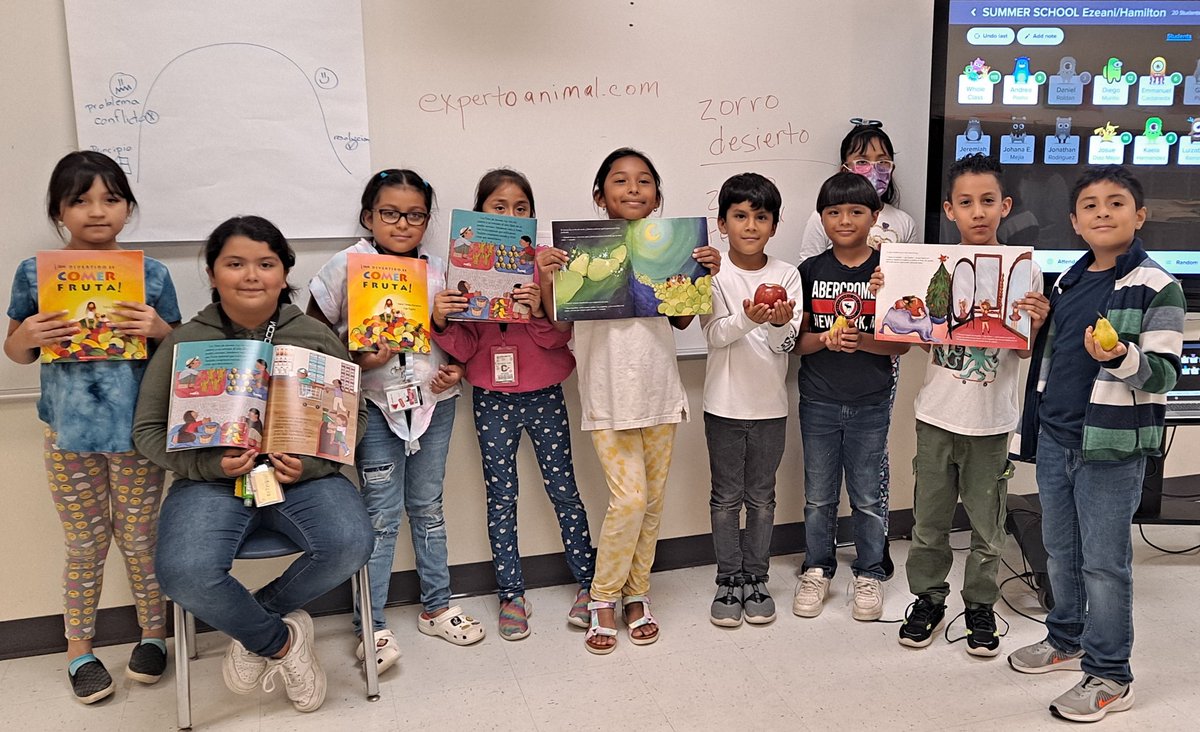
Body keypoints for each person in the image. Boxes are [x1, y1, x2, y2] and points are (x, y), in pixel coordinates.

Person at [132, 216, 372, 714]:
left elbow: (355, 420)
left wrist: (307, 466)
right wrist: (209, 466)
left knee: (350, 543)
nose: (251, 275)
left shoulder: (313, 335)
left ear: (284, 273)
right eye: (235, 263)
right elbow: (148, 431)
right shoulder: (184, 342)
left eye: (266, 264)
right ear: (212, 271)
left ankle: (255, 621)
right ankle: (281, 643)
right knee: (183, 571)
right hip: (212, 483)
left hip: (303, 478)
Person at [1008, 166, 1184, 722]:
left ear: (1140, 215)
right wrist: (1039, 322)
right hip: (1058, 439)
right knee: (1061, 551)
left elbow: (1163, 374)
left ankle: (1112, 673)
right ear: (1074, 223)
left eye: (1115, 203)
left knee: (1106, 565)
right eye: (1089, 205)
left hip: (1111, 446)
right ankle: (1067, 639)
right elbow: (1053, 360)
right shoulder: (1067, 281)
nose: (1102, 212)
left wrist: (1119, 357)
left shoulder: (1158, 285)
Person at [4, 151, 180, 704]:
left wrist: (159, 328)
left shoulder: (152, 274)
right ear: (59, 211)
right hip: (68, 438)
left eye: (110, 198)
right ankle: (78, 649)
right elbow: (15, 352)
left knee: (141, 541)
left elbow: (180, 357)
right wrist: (28, 334)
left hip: (138, 436)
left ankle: (154, 636)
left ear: (128, 206)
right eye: (79, 200)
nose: (97, 211)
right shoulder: (36, 274)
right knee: (84, 545)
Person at [539, 148, 721, 654]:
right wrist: (551, 277)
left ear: (658, 196)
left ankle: (637, 593)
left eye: (644, 181)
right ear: (600, 196)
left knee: (654, 504)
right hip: (607, 397)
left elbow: (682, 319)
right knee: (631, 500)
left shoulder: (670, 250)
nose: (634, 189)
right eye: (620, 181)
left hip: (660, 394)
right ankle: (602, 596)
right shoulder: (581, 253)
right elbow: (557, 325)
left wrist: (703, 271)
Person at [869, 155, 1048, 656]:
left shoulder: (1026, 269)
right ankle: (927, 599)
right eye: (966, 203)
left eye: (988, 201)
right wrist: (890, 300)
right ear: (949, 210)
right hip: (937, 417)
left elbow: (1026, 348)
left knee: (988, 525)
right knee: (928, 522)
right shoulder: (931, 265)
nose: (978, 212)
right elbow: (923, 338)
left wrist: (1036, 320)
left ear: (1005, 206)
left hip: (991, 423)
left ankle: (980, 606)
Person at [308, 169, 478, 676]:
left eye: (415, 214)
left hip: (433, 404)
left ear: (427, 220)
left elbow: (462, 339)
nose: (403, 223)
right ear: (368, 216)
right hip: (374, 408)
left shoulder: (440, 269)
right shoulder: (345, 266)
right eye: (390, 212)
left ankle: (437, 605)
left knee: (429, 507)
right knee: (379, 517)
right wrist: (356, 358)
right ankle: (371, 623)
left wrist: (455, 368)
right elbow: (311, 341)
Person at [432, 168, 595, 640]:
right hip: (492, 398)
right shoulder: (461, 264)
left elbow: (560, 336)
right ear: (480, 212)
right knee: (502, 498)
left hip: (544, 393)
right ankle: (511, 593)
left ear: (532, 215)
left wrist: (540, 306)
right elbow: (462, 347)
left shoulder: (545, 262)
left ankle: (588, 583)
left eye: (520, 209)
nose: (509, 215)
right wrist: (441, 319)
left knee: (563, 489)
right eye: (498, 207)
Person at [799, 119, 919, 580]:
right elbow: (798, 341)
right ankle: (817, 565)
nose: (844, 221)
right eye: (834, 213)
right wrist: (826, 339)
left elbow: (901, 344)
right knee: (818, 494)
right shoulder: (810, 270)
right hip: (819, 396)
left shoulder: (888, 271)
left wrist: (863, 339)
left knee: (869, 493)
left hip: (871, 396)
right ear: (822, 219)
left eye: (856, 213)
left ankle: (871, 567)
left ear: (876, 220)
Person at [700, 173, 802, 628]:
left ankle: (756, 578)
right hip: (722, 405)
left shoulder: (787, 275)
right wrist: (746, 318)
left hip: (770, 409)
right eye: (740, 216)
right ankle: (728, 579)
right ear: (722, 223)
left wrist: (778, 324)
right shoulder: (713, 272)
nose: (750, 225)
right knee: (725, 499)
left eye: (761, 217)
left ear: (774, 226)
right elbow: (714, 335)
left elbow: (786, 345)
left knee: (761, 498)